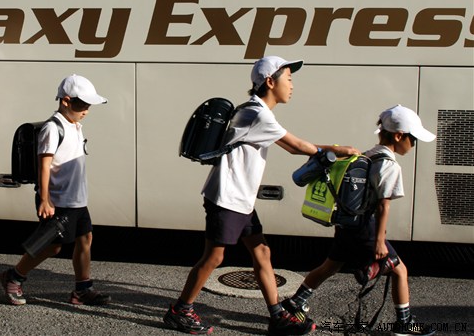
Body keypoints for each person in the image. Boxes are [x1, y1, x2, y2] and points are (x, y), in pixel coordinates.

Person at [163, 56, 359, 335]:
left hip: (240, 198)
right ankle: (180, 311)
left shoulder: (256, 111)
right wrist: (337, 150)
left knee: (262, 252)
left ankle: (277, 317)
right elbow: (296, 146)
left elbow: (289, 146)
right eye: (288, 79)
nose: (292, 85)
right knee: (214, 257)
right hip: (228, 197)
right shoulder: (258, 114)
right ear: (270, 82)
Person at [282, 105, 436, 336]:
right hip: (366, 227)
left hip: (348, 224)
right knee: (400, 271)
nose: (413, 144)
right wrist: (380, 242)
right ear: (398, 136)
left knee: (330, 266)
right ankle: (404, 323)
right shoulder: (389, 165)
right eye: (412, 139)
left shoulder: (367, 155)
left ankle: (295, 303)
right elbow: (383, 205)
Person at [0, 74, 111, 306]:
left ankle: (82, 289)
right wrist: (45, 199)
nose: (87, 110)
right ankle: (14, 277)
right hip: (58, 199)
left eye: (89, 105)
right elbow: (44, 164)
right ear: (66, 101)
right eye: (82, 104)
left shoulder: (75, 125)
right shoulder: (53, 127)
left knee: (85, 238)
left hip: (77, 199)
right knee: (51, 246)